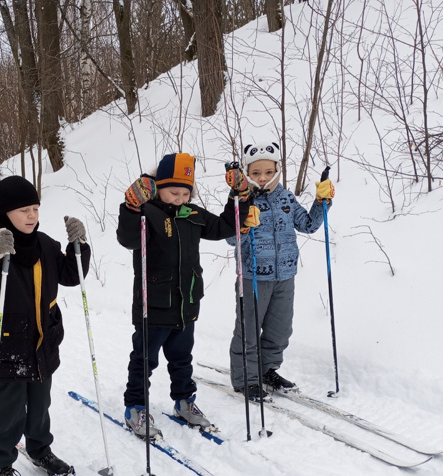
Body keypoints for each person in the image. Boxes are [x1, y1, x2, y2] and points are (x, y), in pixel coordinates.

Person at [0, 175, 90, 476]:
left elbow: (71, 275)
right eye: (23, 210)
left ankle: (40, 449)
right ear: (5, 214)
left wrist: (80, 247)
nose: (32, 216)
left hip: (42, 340)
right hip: (7, 341)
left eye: (35, 208)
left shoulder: (45, 244)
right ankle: (1, 465)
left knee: (40, 403)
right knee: (8, 410)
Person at [116, 153, 251, 439]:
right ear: (158, 186)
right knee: (144, 359)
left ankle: (184, 401)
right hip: (153, 305)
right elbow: (127, 239)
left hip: (186, 303)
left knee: (182, 358)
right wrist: (131, 207)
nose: (179, 198)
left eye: (185, 192)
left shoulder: (193, 215)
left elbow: (227, 226)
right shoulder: (146, 212)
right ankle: (136, 407)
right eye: (173, 191)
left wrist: (239, 195)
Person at [225, 141, 335, 399]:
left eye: (267, 172)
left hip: (284, 276)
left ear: (277, 170)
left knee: (280, 330)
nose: (262, 178)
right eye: (255, 173)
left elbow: (308, 225)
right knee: (248, 331)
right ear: (247, 174)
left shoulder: (286, 198)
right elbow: (230, 239)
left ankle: (266, 371)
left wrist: (322, 202)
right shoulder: (242, 199)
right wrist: (242, 223)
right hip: (253, 276)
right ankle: (245, 380)